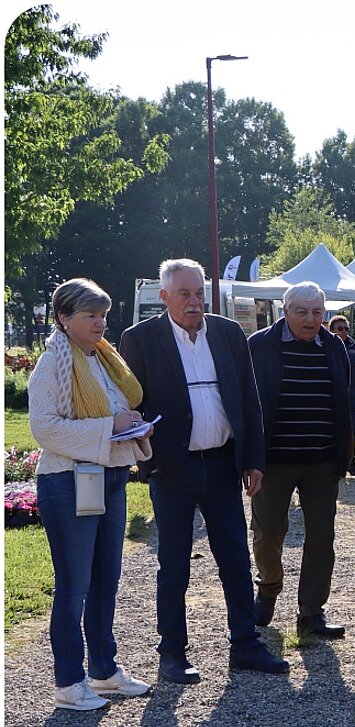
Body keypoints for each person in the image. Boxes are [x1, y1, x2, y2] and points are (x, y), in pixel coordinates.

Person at [119, 258, 288, 683]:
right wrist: (149, 463)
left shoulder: (229, 333)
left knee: (234, 557)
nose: (194, 303)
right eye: (184, 294)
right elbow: (129, 407)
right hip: (172, 472)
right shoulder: (139, 339)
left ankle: (245, 643)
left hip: (221, 466)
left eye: (199, 294)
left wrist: (252, 459)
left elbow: (249, 400)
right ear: (164, 297)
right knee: (174, 563)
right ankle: (172, 652)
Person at [29, 278, 155, 710]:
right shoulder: (53, 364)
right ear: (64, 319)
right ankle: (69, 682)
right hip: (69, 482)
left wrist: (133, 422)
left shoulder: (101, 358)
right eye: (91, 315)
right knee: (75, 584)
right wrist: (112, 428)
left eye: (103, 314)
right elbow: (44, 429)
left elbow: (112, 411)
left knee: (106, 579)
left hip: (109, 477)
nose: (101, 322)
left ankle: (104, 671)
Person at [247, 284, 355, 638]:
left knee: (322, 537)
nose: (310, 320)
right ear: (284, 310)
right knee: (267, 532)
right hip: (273, 461)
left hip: (322, 462)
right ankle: (267, 590)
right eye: (302, 312)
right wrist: (250, 459)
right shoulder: (260, 345)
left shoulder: (335, 346)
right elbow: (246, 407)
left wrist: (345, 455)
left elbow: (345, 402)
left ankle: (311, 612)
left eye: (317, 312)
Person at [329, 313, 355, 473]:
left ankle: (350, 462)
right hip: (331, 397)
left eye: (346, 328)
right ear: (331, 330)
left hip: (351, 396)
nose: (344, 331)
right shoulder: (327, 347)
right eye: (340, 328)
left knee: (352, 429)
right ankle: (334, 461)